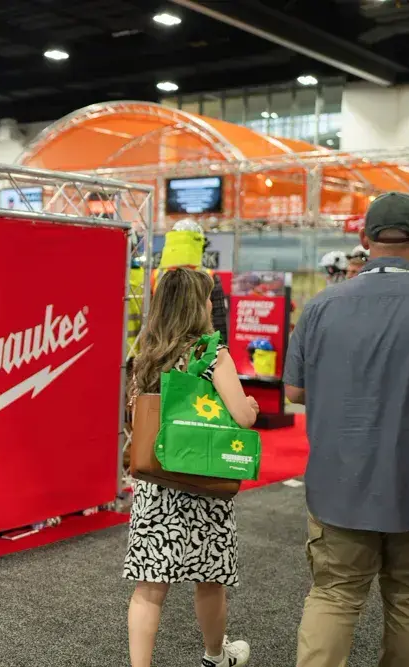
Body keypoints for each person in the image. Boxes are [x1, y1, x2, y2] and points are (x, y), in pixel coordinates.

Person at [284, 192, 409, 667]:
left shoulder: (320, 308)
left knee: (334, 597)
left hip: (337, 485)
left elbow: (295, 392)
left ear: (364, 239)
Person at [125, 268, 259, 667]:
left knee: (149, 589)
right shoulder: (211, 352)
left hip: (157, 484)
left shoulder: (147, 353)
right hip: (204, 482)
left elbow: (137, 418)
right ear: (197, 305)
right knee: (211, 580)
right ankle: (216, 656)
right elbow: (242, 416)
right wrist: (249, 406)